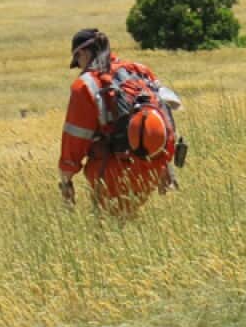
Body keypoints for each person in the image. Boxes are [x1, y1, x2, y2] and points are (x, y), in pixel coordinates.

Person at [59, 29, 179, 215]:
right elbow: (162, 117)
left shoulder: (85, 85)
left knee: (110, 234)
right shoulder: (140, 71)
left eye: (78, 61)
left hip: (113, 172)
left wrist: (66, 179)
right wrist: (166, 167)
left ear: (82, 53)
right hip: (154, 167)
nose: (80, 67)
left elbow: (75, 139)